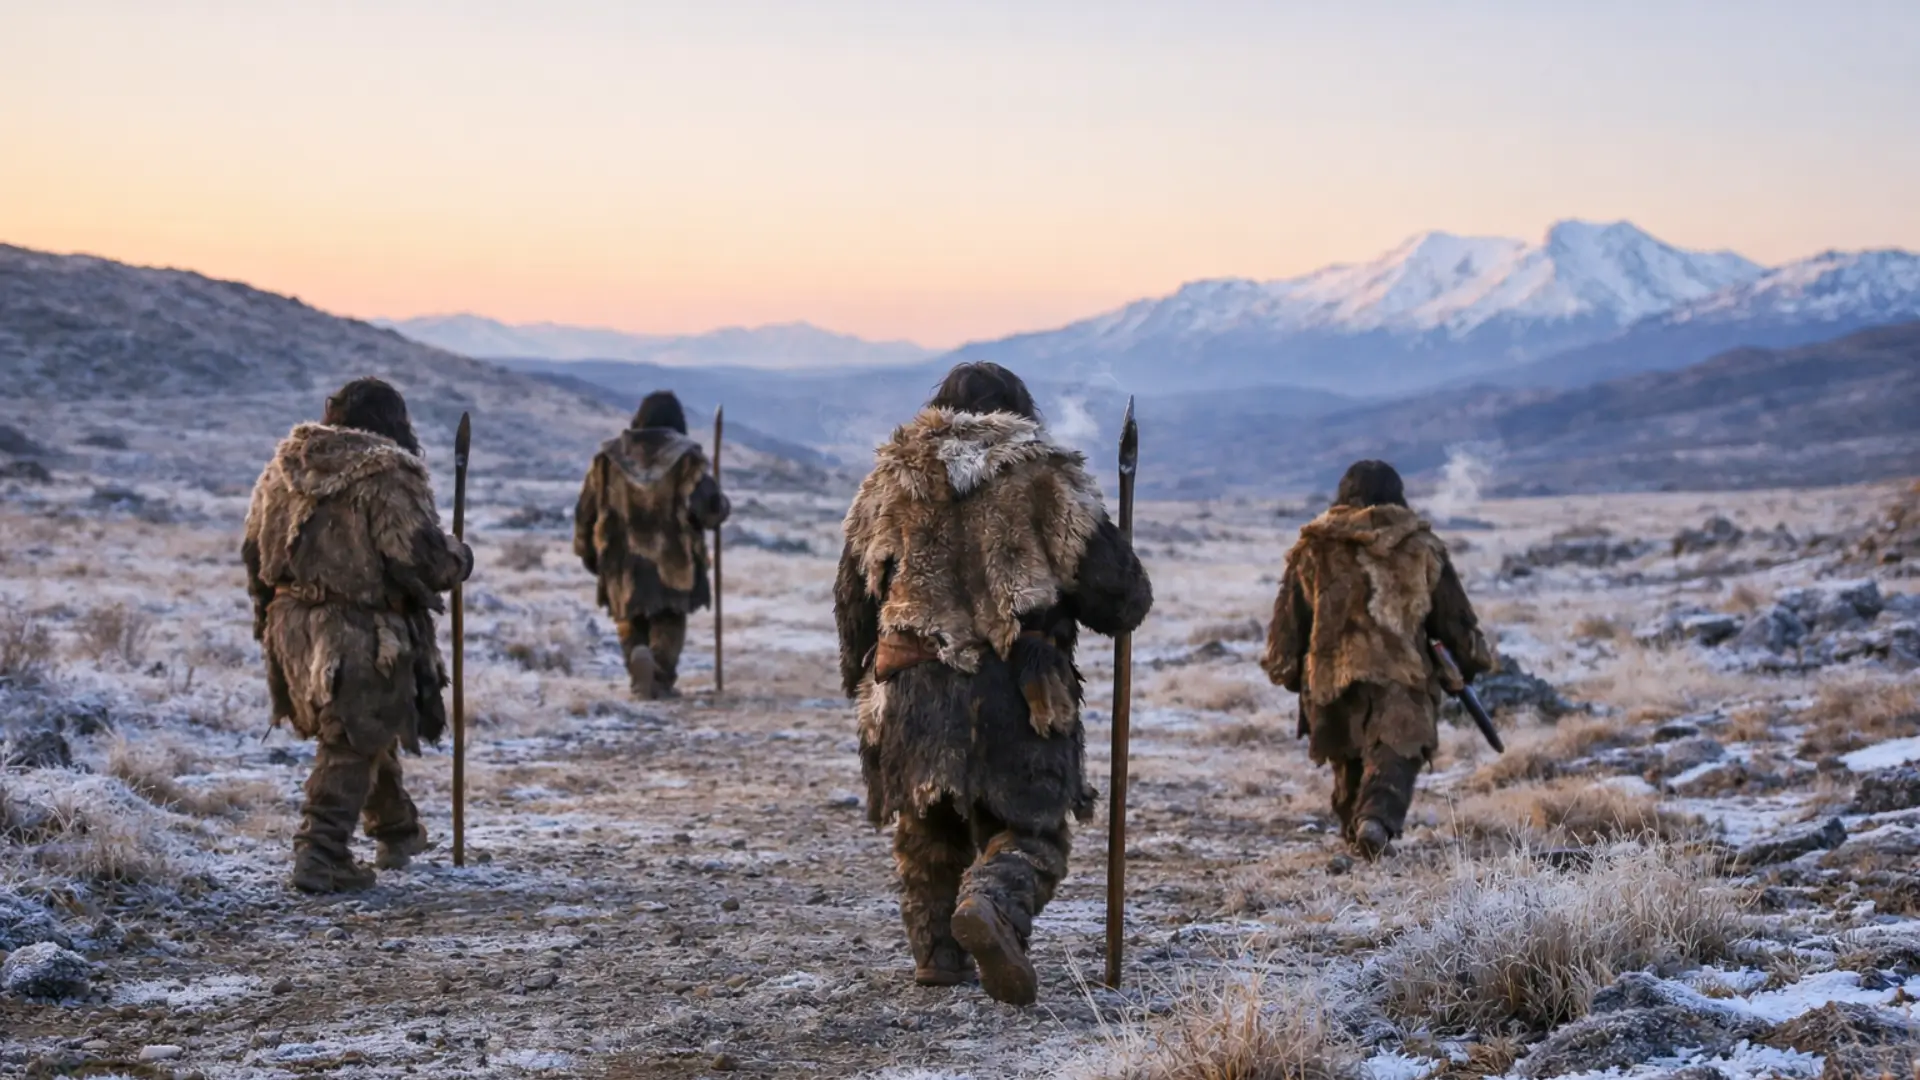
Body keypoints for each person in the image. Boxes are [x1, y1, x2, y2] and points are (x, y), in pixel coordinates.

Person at [834, 362, 1152, 1006]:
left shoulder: (886, 483)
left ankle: (939, 956)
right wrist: (1123, 588)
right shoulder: (1046, 476)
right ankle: (993, 905)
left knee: (927, 827)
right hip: (1018, 688)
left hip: (911, 687)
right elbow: (1116, 597)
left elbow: (852, 596)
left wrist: (858, 678)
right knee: (1031, 827)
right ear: (1018, 411)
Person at [242, 377, 473, 893]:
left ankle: (396, 830)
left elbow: (254, 552)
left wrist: (267, 625)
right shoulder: (389, 471)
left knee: (363, 724)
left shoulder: (283, 468)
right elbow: (419, 558)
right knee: (352, 737)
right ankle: (321, 855)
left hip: (292, 626)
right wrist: (458, 558)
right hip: (361, 628)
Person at [1261, 459, 1495, 859]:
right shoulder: (1419, 546)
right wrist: (1468, 661)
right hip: (1400, 673)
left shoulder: (1314, 547)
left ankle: (1359, 833)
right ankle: (1374, 822)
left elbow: (1289, 621)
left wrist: (1288, 668)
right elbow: (1453, 617)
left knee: (1347, 756)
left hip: (1330, 674)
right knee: (1396, 753)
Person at [574, 390, 730, 699]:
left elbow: (585, 512)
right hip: (672, 559)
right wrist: (720, 507)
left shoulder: (607, 459)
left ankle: (639, 666)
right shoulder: (686, 459)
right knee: (669, 620)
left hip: (620, 559)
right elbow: (709, 510)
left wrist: (587, 552)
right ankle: (657, 675)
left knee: (629, 618)